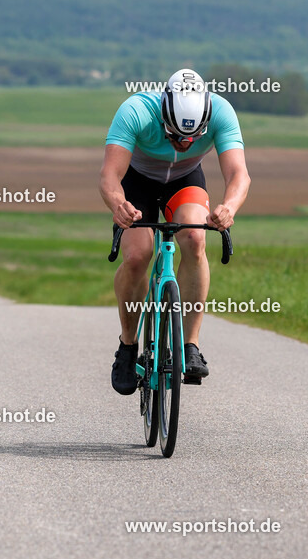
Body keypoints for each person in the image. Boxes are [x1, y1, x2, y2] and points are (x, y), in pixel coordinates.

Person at [99, 68, 251, 395]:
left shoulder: (221, 112)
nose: (182, 144)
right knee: (138, 255)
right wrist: (118, 205)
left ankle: (190, 345)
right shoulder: (136, 110)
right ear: (163, 111)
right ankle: (128, 346)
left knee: (195, 239)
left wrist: (229, 208)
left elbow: (239, 174)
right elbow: (110, 176)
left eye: (191, 138)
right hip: (136, 182)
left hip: (184, 181)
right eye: (174, 136)